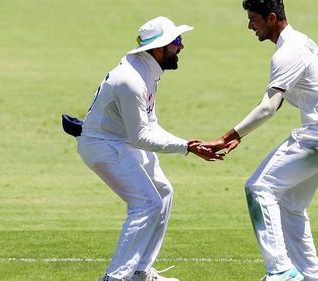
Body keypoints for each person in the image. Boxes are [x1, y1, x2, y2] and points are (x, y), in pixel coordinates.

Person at [201, 1, 318, 281]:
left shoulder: (287, 52)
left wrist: (228, 136)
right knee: (290, 203)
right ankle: (312, 277)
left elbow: (267, 107)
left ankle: (280, 271)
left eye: (254, 19)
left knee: (258, 188)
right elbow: (276, 104)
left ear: (272, 18)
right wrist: (238, 137)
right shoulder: (300, 42)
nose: (250, 26)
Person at [75, 16, 222, 281]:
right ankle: (115, 277)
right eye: (176, 42)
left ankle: (140, 272)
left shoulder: (148, 71)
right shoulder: (131, 79)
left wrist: (189, 145)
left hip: (122, 141)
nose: (181, 47)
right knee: (146, 204)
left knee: (163, 193)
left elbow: (149, 124)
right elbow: (142, 136)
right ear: (158, 49)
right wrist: (188, 147)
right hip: (103, 145)